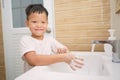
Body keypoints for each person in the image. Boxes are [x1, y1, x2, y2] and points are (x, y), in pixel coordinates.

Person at [20, 4, 84, 72]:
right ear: (27, 23)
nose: (39, 25)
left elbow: (65, 50)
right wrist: (64, 57)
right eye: (34, 22)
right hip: (31, 77)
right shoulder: (26, 40)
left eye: (43, 22)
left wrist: (64, 51)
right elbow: (33, 60)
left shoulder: (49, 40)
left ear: (47, 24)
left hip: (47, 74)